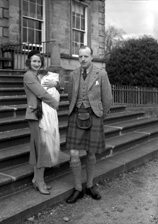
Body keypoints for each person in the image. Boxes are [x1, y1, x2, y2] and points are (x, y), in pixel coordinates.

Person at [66, 45, 112, 204]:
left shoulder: (101, 74)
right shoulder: (73, 74)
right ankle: (78, 188)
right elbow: (70, 95)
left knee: (91, 153)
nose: (83, 59)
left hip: (94, 116)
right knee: (73, 153)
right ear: (78, 58)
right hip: (76, 115)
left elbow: (107, 99)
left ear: (91, 57)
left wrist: (100, 115)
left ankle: (90, 186)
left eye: (86, 56)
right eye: (80, 56)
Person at [23, 50, 60, 195]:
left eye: (39, 61)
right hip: (35, 115)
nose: (37, 64)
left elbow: (55, 84)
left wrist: (56, 83)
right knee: (42, 149)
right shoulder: (28, 75)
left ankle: (35, 179)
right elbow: (41, 93)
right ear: (29, 62)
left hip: (40, 115)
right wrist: (55, 104)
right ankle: (40, 182)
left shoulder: (37, 75)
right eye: (34, 61)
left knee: (39, 148)